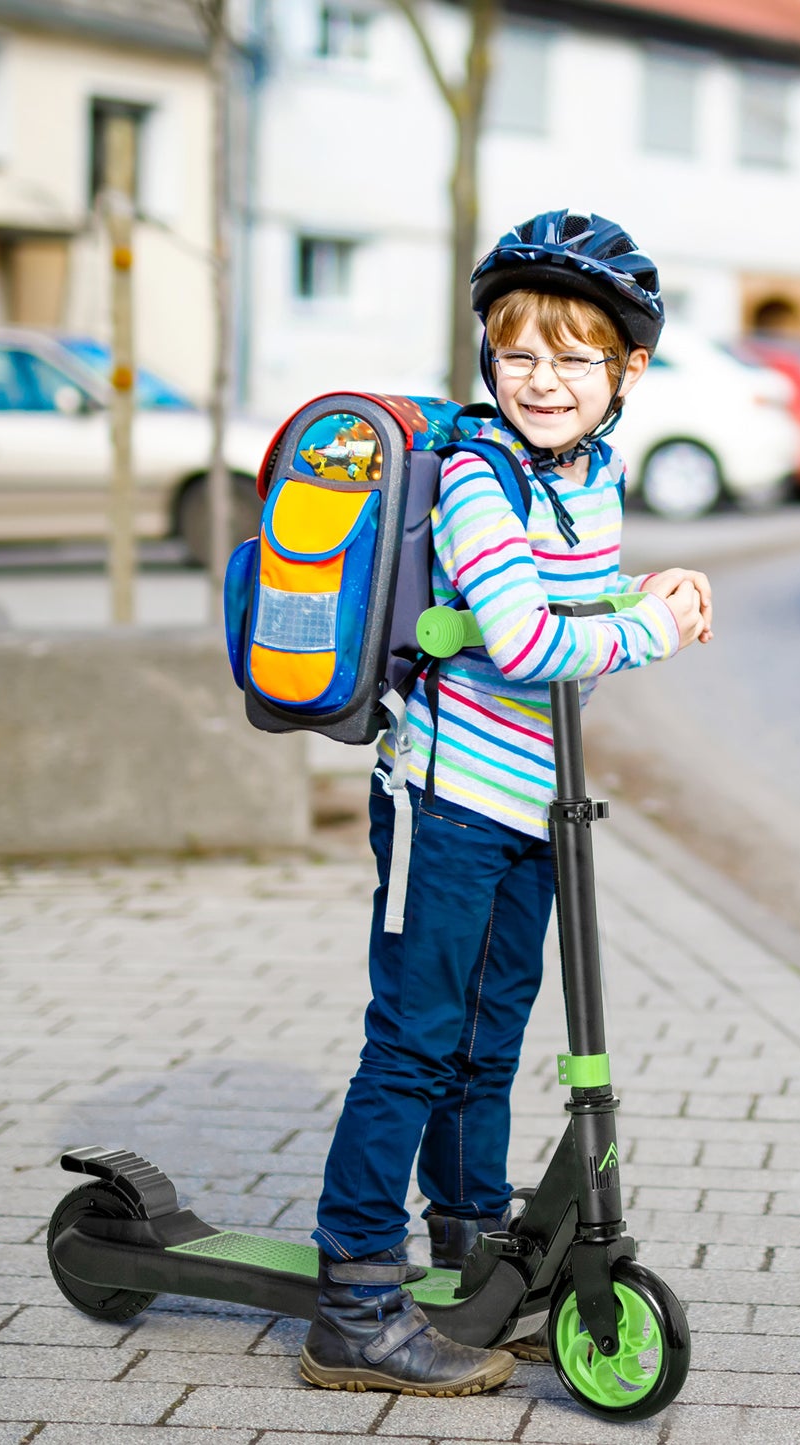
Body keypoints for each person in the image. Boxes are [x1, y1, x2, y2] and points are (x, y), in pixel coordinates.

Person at [300, 210, 713, 1398]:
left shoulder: (593, 469)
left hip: (533, 802)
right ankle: (356, 1301)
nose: (542, 379)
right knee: (415, 1042)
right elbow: (530, 639)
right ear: (487, 352)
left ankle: (473, 1257)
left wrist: (644, 588)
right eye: (517, 350)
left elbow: (570, 598)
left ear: (627, 370)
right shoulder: (480, 472)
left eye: (573, 357)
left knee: (489, 1042)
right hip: (445, 796)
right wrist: (657, 628)